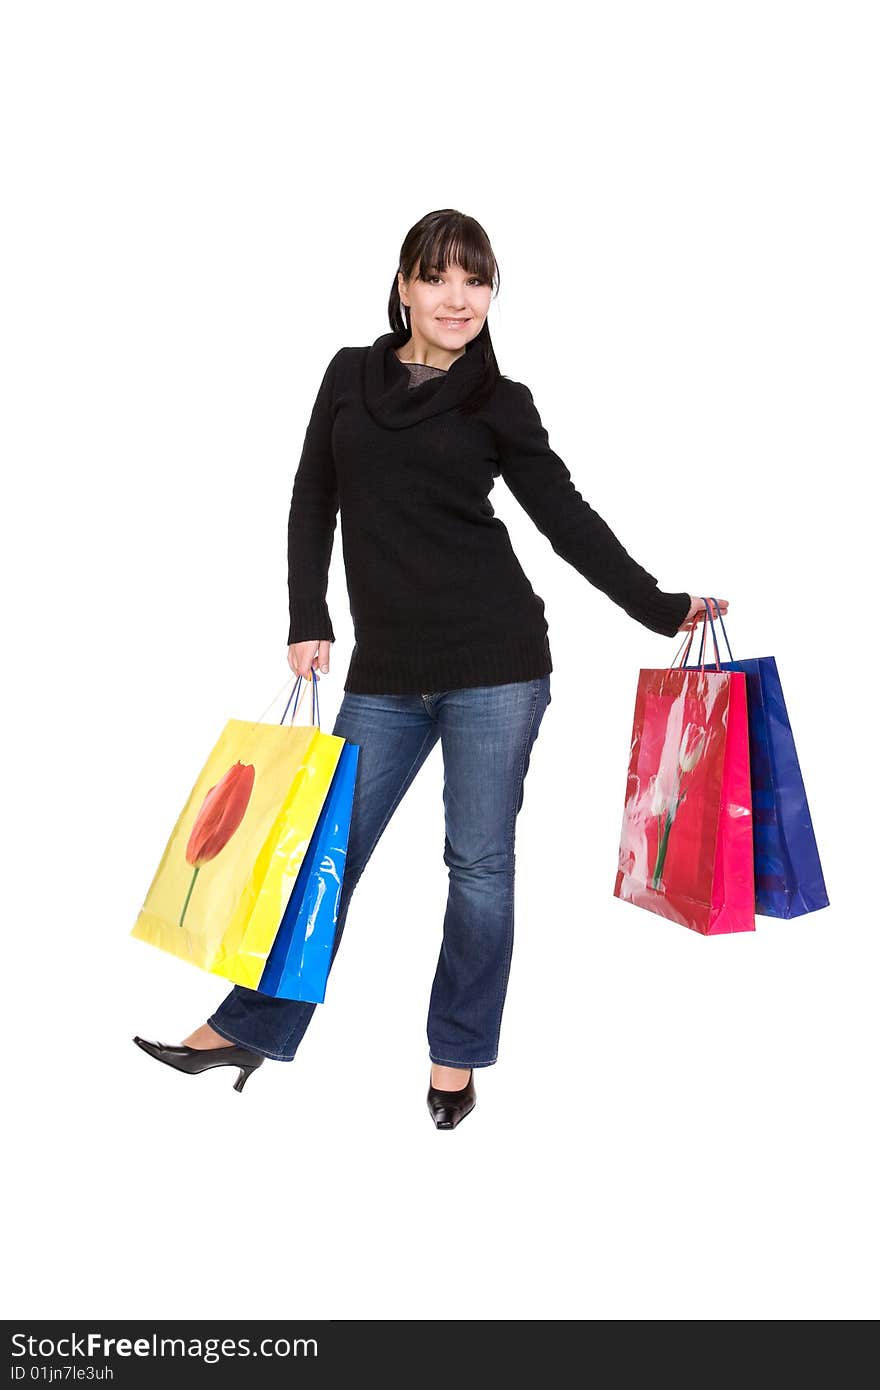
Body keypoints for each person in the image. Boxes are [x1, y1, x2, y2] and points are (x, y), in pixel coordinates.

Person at [134, 208, 729, 1128]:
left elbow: (565, 519)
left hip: (497, 663)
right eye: (439, 277)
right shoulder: (348, 376)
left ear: (492, 294)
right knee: (321, 851)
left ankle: (455, 1057)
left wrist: (657, 607)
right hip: (383, 673)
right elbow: (312, 494)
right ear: (404, 285)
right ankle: (250, 1026)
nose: (459, 299)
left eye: (476, 281)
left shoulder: (500, 400)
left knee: (479, 866)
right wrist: (306, 614)